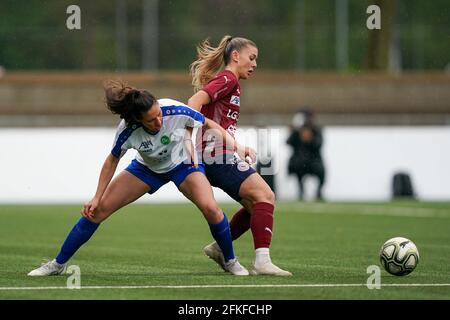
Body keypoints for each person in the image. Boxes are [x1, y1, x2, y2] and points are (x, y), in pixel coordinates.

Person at [27, 80, 250, 276]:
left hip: (183, 164)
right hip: (147, 169)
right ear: (137, 120)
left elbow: (209, 123)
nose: (159, 121)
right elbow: (111, 161)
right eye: (151, 120)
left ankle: (230, 260)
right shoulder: (127, 130)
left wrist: (237, 146)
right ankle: (58, 264)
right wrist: (96, 197)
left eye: (159, 114)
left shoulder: (174, 110)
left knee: (211, 208)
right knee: (97, 211)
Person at [187, 35, 292, 276]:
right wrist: (188, 138)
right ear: (236, 56)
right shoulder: (227, 78)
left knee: (255, 205)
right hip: (217, 156)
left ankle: (218, 248)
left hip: (217, 154)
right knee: (265, 195)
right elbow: (194, 101)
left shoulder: (231, 81)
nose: (255, 64)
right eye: (251, 58)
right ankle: (262, 261)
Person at [286, 109, 325, 200]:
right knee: (297, 168)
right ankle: (301, 192)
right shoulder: (297, 132)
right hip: (300, 161)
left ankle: (318, 192)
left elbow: (318, 145)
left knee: (321, 171)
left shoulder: (316, 131)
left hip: (314, 161)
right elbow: (288, 142)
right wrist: (294, 133)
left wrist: (310, 139)